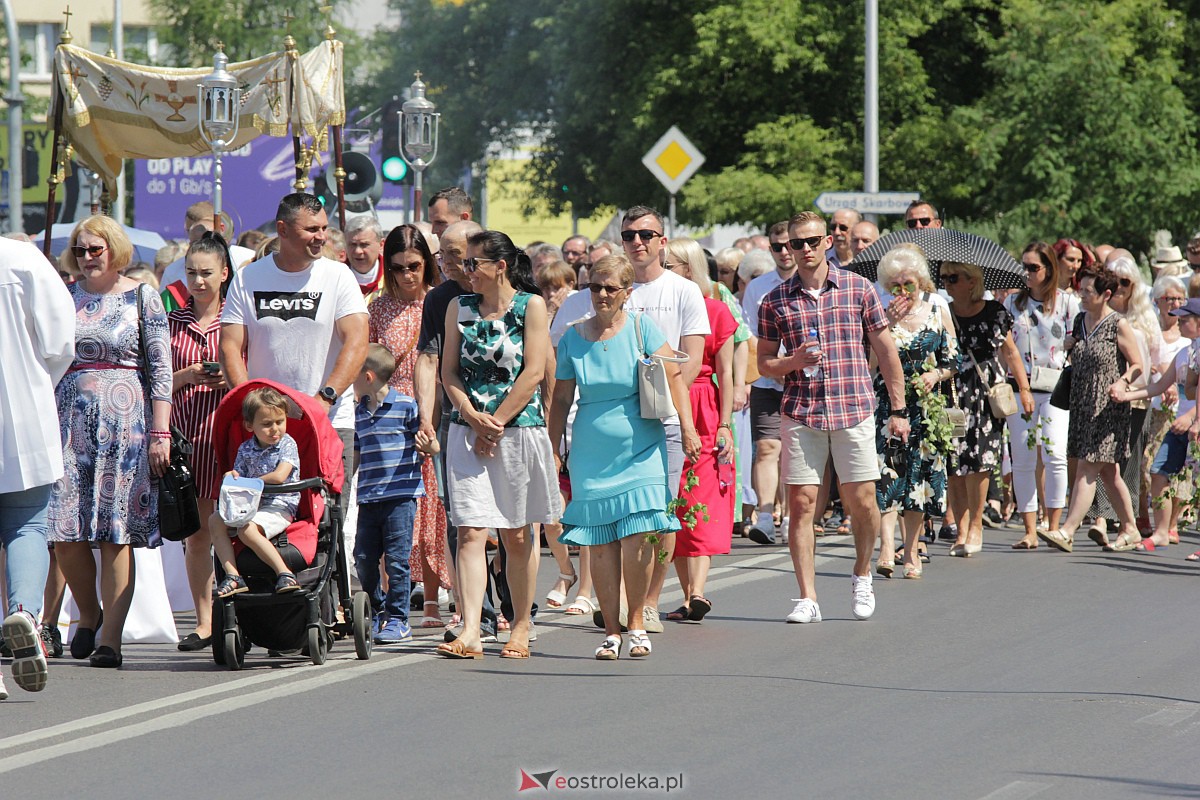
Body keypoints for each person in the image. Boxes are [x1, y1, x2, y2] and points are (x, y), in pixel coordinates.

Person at [758, 211, 911, 622]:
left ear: (827, 242)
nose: (804, 250)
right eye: (795, 243)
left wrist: (898, 409)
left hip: (853, 408)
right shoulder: (774, 300)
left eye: (811, 241)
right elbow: (764, 365)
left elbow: (885, 351)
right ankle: (807, 596)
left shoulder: (858, 289)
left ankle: (862, 574)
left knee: (861, 501)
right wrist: (792, 360)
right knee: (802, 503)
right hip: (802, 411)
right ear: (787, 248)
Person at [549, 255, 699, 658]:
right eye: (595, 286)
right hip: (591, 450)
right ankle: (611, 631)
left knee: (637, 537)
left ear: (626, 293)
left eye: (610, 288)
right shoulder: (571, 337)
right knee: (600, 543)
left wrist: (687, 427)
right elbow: (561, 398)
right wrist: (552, 448)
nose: (600, 294)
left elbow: (673, 378)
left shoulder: (641, 328)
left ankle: (636, 622)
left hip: (642, 445)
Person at [49, 216, 172, 669]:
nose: (85, 258)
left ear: (113, 249)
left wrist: (161, 433)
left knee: (114, 536)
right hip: (68, 426)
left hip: (127, 429)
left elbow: (160, 372)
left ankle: (112, 640)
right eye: (79, 250)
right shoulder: (65, 297)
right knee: (64, 532)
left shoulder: (143, 296)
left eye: (94, 249)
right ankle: (88, 614)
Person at [436, 231, 559, 660]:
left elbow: (534, 371)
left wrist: (496, 423)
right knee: (470, 529)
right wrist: (471, 417)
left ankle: (521, 623)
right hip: (466, 431)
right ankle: (471, 629)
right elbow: (448, 371)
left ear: (500, 266)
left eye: (474, 263)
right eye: (465, 263)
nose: (465, 271)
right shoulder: (458, 307)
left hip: (518, 430)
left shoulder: (531, 306)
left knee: (517, 534)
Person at [219, 193, 369, 516]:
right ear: (283, 229)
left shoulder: (338, 276)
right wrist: (251, 403)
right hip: (267, 424)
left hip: (327, 419)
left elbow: (357, 340)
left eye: (324, 228)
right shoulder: (248, 278)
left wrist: (324, 399)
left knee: (331, 522)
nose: (321, 237)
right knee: (264, 517)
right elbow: (230, 346)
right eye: (311, 229)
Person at [412, 220, 498, 641]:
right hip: (456, 420)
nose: (446, 263)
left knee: (512, 523)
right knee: (462, 518)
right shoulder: (440, 299)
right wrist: (426, 417)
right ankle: (474, 615)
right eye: (441, 254)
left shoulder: (513, 291)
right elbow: (428, 359)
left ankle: (516, 608)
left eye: (454, 253)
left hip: (509, 419)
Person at [0, 236, 74, 698]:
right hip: (22, 412)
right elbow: (60, 340)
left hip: (25, 405)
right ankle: (25, 610)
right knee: (27, 523)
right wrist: (37, 381)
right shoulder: (23, 259)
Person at [368, 224, 451, 629]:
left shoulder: (440, 302)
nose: (406, 275)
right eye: (398, 267)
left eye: (415, 265)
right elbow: (365, 365)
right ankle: (390, 602)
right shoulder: (376, 308)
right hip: (386, 417)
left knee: (432, 508)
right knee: (390, 511)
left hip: (432, 408)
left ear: (428, 263)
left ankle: (432, 601)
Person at [1038, 270, 1144, 552]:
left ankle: (1068, 530)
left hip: (1108, 408)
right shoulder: (1079, 321)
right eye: (1081, 290)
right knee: (1109, 473)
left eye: (1088, 291)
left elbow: (1137, 365)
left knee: (1087, 466)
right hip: (1083, 405)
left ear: (1106, 295)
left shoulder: (1117, 324)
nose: (1081, 295)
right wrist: (1070, 347)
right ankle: (1130, 528)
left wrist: (1122, 381)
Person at [661, 240, 738, 622]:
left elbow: (726, 373)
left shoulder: (716, 311)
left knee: (702, 499)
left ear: (689, 269)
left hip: (705, 406)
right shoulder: (654, 309)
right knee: (672, 499)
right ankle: (688, 594)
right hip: (662, 403)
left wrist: (724, 424)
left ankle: (699, 591)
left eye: (670, 265)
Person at [871, 244, 958, 579]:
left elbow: (954, 357)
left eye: (909, 283)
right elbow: (869, 366)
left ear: (921, 281)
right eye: (896, 285)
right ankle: (885, 549)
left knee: (919, 481)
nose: (903, 291)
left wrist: (935, 374)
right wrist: (884, 328)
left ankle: (910, 552)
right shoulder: (879, 312)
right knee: (888, 475)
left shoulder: (937, 309)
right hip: (888, 403)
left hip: (927, 408)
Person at [168, 233, 233, 652]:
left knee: (232, 527)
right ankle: (205, 621)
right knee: (196, 536)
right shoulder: (170, 323)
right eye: (191, 272)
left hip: (228, 437)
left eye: (207, 272)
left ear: (224, 274)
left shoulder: (236, 318)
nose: (199, 281)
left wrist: (230, 377)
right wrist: (188, 375)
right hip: (187, 437)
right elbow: (152, 384)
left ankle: (239, 615)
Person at [942, 261, 1032, 557]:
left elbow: (1010, 351)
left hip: (984, 390)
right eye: (943, 277)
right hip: (951, 390)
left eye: (953, 277)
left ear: (972, 280)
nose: (947, 283)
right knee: (954, 462)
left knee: (980, 458)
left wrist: (1025, 389)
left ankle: (976, 524)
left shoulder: (994, 312)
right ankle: (961, 525)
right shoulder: (943, 311)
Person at [1005, 243, 1080, 549]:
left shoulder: (1067, 303)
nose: (1027, 273)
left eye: (1033, 267)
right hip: (1019, 385)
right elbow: (1004, 345)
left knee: (1054, 455)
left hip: (1057, 385)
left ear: (1049, 269)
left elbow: (1079, 341)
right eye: (1023, 266)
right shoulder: (1013, 304)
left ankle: (1054, 525)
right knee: (1022, 458)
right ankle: (1030, 530)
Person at [352, 344, 427, 644]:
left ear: (368, 376)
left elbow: (425, 445)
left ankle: (399, 619)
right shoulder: (358, 413)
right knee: (363, 558)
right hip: (368, 498)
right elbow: (356, 453)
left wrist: (429, 448)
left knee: (396, 560)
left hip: (400, 497)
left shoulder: (407, 406)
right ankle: (379, 609)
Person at [1111, 297, 1200, 550]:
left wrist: (1192, 417)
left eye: (1185, 319)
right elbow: (1160, 386)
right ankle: (1161, 531)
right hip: (1181, 424)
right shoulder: (1186, 352)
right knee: (1158, 471)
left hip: (1192, 423)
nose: (1178, 322)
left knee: (1197, 483)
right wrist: (1127, 394)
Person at [209, 387, 303, 597]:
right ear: (250, 426)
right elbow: (238, 478)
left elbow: (279, 476)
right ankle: (233, 576)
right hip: (251, 505)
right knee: (215, 520)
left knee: (247, 530)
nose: (275, 429)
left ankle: (284, 573)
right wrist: (231, 476)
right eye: (267, 424)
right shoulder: (245, 449)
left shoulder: (287, 444)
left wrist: (249, 482)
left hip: (280, 504)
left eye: (280, 422)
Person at [742, 221, 797, 544]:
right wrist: (772, 367)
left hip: (803, 379)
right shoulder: (758, 287)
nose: (786, 252)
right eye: (778, 246)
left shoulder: (810, 284)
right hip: (767, 378)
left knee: (794, 451)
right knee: (767, 447)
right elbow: (750, 334)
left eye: (791, 244)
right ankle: (765, 515)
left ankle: (792, 516)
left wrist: (792, 364)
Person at [345, 215, 385, 297]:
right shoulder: (334, 276)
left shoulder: (393, 275)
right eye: (352, 244)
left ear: (381, 245)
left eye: (364, 245)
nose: (358, 251)